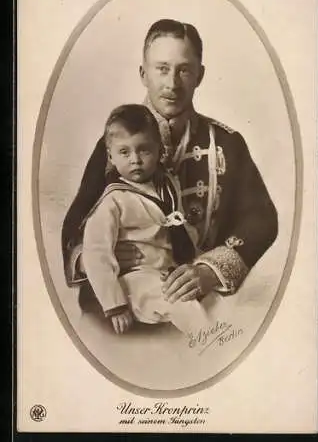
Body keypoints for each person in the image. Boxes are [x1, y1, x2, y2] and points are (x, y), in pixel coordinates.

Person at [62, 18, 278, 309]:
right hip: (120, 308)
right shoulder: (116, 146)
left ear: (200, 75)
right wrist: (90, 258)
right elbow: (76, 224)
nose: (172, 84)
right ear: (143, 73)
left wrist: (208, 272)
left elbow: (261, 220)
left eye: (184, 70)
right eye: (162, 69)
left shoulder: (228, 144)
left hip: (202, 312)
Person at [80, 103, 209, 334]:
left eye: (144, 150)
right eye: (124, 152)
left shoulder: (167, 184)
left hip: (165, 271)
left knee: (213, 302)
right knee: (187, 309)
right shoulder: (113, 200)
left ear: (159, 150)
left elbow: (179, 227)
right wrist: (115, 305)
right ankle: (211, 351)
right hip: (135, 278)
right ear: (110, 156)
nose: (135, 160)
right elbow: (96, 253)